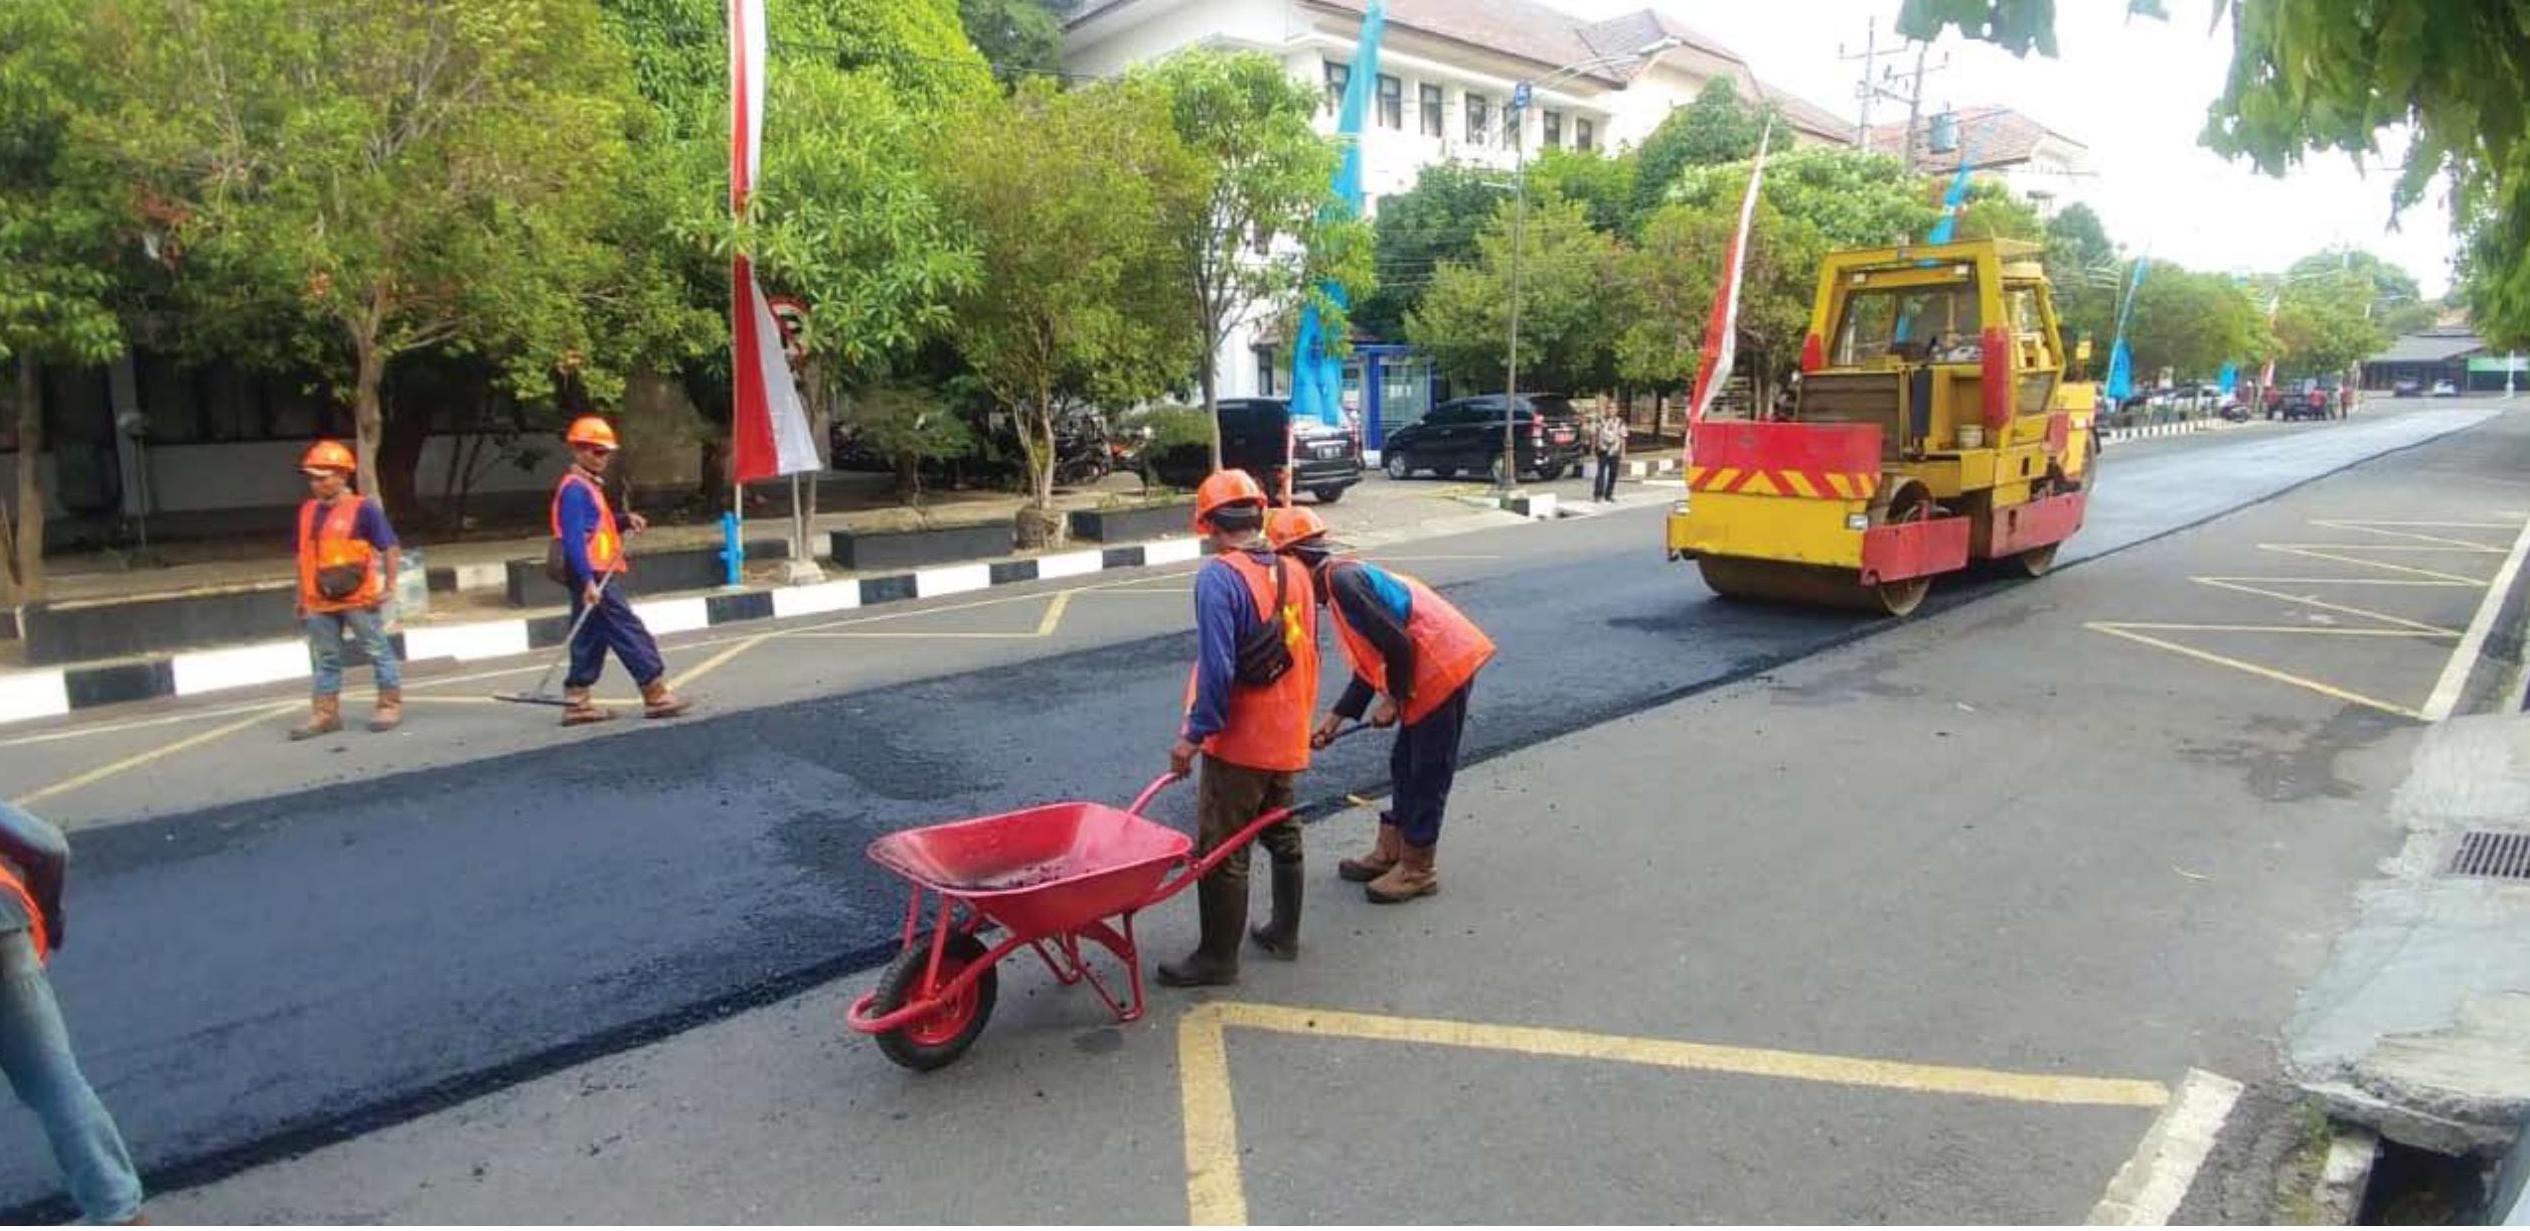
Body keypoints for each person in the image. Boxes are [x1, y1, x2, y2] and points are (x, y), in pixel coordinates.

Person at [1269, 506, 1493, 903]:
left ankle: (1418, 868)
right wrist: (1335, 719)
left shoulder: (1342, 582)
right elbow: (1373, 662)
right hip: (1421, 672)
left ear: (1296, 560)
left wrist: (1394, 698)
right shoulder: (1338, 584)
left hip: (1442, 666)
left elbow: (1399, 643)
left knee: (1427, 768)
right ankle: (1393, 850)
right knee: (1403, 763)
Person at [1159, 470, 1318, 986]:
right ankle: (1284, 932)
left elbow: (1219, 668)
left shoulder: (1218, 578)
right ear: (1258, 515)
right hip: (1287, 733)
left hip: (1242, 744)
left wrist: (1194, 736)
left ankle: (1217, 959)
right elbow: (1308, 655)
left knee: (1222, 849)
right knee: (1282, 829)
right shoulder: (1296, 570)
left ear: (1206, 524)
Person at [0, 802, 144, 1225]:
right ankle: (117, 1209)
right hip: (6, 928)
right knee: (55, 1079)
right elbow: (47, 845)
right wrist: (49, 915)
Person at [552, 416, 691, 726]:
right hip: (592, 573)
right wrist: (588, 580)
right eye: (597, 451)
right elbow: (573, 538)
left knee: (590, 634)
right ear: (579, 450)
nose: (603, 458)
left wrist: (625, 520)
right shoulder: (575, 489)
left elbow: (597, 526)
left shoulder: (587, 486)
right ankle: (655, 692)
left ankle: (577, 699)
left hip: (594, 571)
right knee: (627, 628)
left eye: (605, 452)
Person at [292, 439, 403, 739]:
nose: (315, 483)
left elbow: (390, 548)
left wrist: (390, 585)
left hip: (358, 598)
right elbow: (302, 555)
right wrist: (301, 595)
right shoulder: (306, 512)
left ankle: (389, 705)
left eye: (322, 476)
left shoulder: (363, 509)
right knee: (325, 658)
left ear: (342, 476)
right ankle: (325, 714)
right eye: (312, 477)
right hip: (318, 601)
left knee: (377, 651)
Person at [1592, 411, 1626, 503]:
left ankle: (1609, 494)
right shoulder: (1601, 421)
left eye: (1613, 408)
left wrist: (1623, 452)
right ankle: (1598, 495)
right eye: (1609, 408)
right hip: (1602, 450)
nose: (1610, 410)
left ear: (1616, 410)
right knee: (1601, 473)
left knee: (1613, 473)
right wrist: (1594, 447)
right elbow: (1595, 434)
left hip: (1615, 451)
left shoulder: (1620, 422)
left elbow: (1623, 437)